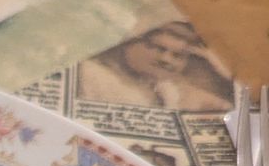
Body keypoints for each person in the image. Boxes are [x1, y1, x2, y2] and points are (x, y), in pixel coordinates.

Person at [79, 20, 233, 109]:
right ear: (130, 43)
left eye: (178, 56)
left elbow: (230, 109)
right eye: (158, 48)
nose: (166, 60)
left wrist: (221, 70)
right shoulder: (91, 73)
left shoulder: (167, 89)